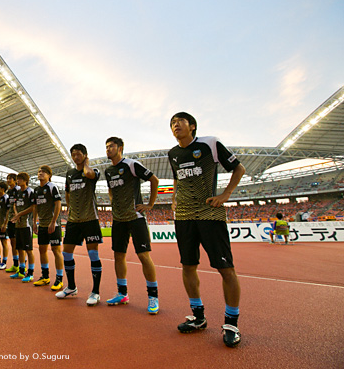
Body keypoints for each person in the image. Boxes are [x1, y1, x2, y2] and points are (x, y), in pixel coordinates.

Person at [169, 112, 246, 348]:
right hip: (183, 217)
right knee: (188, 266)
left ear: (192, 126)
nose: (175, 126)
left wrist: (226, 194)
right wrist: (174, 198)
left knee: (226, 268)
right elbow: (177, 179)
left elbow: (239, 169)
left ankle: (231, 323)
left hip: (209, 214)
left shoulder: (209, 144)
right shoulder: (173, 154)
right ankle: (198, 317)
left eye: (179, 122)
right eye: (172, 124)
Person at [104, 137, 160, 314]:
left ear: (120, 148)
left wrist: (150, 205)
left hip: (135, 217)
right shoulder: (108, 171)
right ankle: (122, 293)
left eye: (111, 146)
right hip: (118, 220)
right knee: (118, 256)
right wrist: (113, 203)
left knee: (144, 256)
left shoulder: (131, 165)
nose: (108, 149)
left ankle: (153, 296)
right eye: (106, 147)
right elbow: (111, 190)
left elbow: (154, 180)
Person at [55, 144, 103, 306]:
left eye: (79, 154)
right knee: (66, 253)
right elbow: (68, 193)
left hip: (90, 218)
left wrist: (87, 163)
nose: (76, 157)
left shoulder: (93, 171)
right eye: (73, 155)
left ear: (85, 155)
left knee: (93, 255)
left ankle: (95, 292)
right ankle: (72, 287)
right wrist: (70, 208)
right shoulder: (69, 174)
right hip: (73, 220)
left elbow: (89, 174)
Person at [32, 165, 64, 291]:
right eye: (39, 171)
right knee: (42, 250)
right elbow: (35, 207)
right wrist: (34, 222)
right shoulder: (36, 190)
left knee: (56, 251)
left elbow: (58, 204)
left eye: (43, 172)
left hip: (53, 225)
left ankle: (59, 279)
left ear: (49, 175)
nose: (40, 173)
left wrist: (53, 222)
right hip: (42, 225)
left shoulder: (52, 187)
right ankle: (45, 277)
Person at [11, 172, 36, 282]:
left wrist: (20, 215)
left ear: (26, 181)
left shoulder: (30, 191)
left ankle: (30, 273)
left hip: (26, 224)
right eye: (17, 179)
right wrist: (16, 214)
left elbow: (33, 207)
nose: (18, 181)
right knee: (19, 248)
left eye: (20, 179)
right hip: (18, 224)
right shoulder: (17, 192)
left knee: (28, 250)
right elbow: (15, 205)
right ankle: (21, 271)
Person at [4, 173, 20, 273]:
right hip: (10, 219)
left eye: (10, 179)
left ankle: (22, 265)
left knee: (19, 243)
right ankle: (15, 264)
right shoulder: (9, 192)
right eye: (7, 179)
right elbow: (8, 207)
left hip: (18, 220)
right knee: (13, 243)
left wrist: (17, 215)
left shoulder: (18, 190)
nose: (8, 180)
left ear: (15, 180)